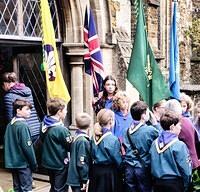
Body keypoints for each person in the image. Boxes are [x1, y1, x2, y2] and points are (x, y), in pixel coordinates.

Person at [150, 110, 192, 192]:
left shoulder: (154, 143)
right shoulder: (179, 145)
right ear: (172, 127)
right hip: (174, 184)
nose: (180, 128)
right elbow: (186, 171)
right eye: (179, 125)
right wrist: (186, 185)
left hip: (157, 183)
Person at [123, 101, 159, 192]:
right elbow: (161, 139)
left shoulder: (126, 131)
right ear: (143, 115)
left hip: (129, 169)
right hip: (143, 169)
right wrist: (155, 123)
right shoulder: (150, 130)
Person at [4, 99, 37, 192]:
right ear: (18, 110)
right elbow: (27, 147)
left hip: (13, 163)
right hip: (23, 164)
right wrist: (33, 163)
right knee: (26, 188)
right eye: (27, 109)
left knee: (17, 188)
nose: (30, 111)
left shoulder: (10, 125)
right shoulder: (23, 126)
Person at [41, 98, 73, 192]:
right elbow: (70, 146)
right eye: (65, 110)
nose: (66, 112)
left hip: (48, 162)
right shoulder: (60, 129)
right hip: (59, 163)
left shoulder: (44, 123)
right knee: (60, 189)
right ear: (59, 112)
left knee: (53, 186)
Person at [88, 109, 122, 192]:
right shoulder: (112, 139)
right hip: (109, 174)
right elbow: (117, 159)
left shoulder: (93, 137)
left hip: (95, 172)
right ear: (111, 121)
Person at [1, 72, 40, 143]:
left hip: (23, 132)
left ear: (5, 84)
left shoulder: (8, 96)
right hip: (36, 130)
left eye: (2, 85)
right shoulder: (28, 91)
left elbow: (10, 118)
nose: (3, 88)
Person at [165, 99, 200, 169]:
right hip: (194, 161)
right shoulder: (188, 120)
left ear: (169, 112)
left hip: (185, 164)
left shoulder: (175, 125)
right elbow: (197, 140)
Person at [67, 112, 92, 192]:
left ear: (77, 126)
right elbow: (82, 162)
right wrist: (84, 179)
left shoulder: (77, 138)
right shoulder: (83, 141)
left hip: (74, 178)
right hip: (78, 179)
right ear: (89, 126)